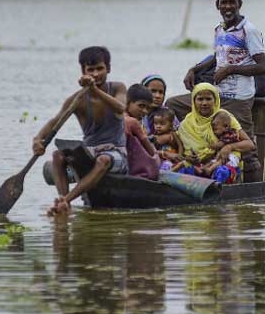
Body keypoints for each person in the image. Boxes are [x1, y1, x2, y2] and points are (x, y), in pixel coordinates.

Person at [33, 46, 127, 215]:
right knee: (57, 155)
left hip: (116, 153)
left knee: (104, 159)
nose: (96, 74)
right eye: (91, 70)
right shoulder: (77, 99)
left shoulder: (117, 88)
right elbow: (55, 121)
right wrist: (38, 139)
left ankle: (65, 200)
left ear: (109, 69)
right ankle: (63, 203)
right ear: (83, 72)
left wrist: (95, 90)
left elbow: (120, 108)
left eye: (100, 68)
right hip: (90, 151)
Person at [166, 0, 265, 138]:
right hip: (216, 95)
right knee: (173, 105)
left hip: (238, 99)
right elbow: (217, 57)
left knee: (245, 146)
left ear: (239, 4)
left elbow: (262, 66)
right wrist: (193, 69)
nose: (228, 7)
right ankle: (191, 145)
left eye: (232, 2)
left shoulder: (249, 30)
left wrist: (230, 70)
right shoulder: (219, 29)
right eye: (224, 3)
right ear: (217, 5)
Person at [175, 83, 255, 179]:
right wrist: (188, 158)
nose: (204, 103)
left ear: (215, 100)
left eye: (208, 99)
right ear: (194, 101)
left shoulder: (224, 117)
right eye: (200, 99)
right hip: (198, 165)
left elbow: (249, 144)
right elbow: (181, 150)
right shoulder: (186, 123)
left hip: (220, 163)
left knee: (222, 172)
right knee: (182, 170)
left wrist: (229, 147)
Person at [124, 84, 160, 180]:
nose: (145, 111)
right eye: (141, 106)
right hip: (130, 168)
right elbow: (151, 151)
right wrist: (157, 157)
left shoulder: (116, 116)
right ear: (127, 102)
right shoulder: (132, 122)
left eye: (148, 108)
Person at [204, 111, 246, 184]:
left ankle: (210, 169)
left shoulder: (230, 134)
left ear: (226, 126)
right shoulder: (222, 134)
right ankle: (204, 168)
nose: (214, 132)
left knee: (221, 161)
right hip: (224, 156)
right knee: (213, 161)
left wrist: (210, 146)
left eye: (215, 129)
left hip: (232, 156)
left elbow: (220, 144)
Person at [150, 106, 183, 170]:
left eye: (162, 124)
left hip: (171, 159)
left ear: (171, 125)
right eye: (156, 123)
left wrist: (179, 156)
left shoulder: (173, 133)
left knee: (167, 166)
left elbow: (180, 145)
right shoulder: (155, 134)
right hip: (160, 158)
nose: (158, 126)